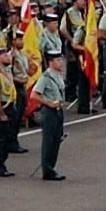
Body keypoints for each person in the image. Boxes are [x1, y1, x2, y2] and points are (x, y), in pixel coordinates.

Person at [32, 52, 68, 180]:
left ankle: (51, 168)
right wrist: (48, 103)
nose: (61, 62)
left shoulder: (58, 76)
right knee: (49, 141)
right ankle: (47, 170)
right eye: (58, 60)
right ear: (51, 62)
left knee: (57, 140)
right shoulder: (46, 77)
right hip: (49, 111)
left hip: (58, 110)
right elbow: (34, 95)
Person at [0, 46, 20, 176]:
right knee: (1, 139)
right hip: (2, 106)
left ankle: (3, 164)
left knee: (7, 137)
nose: (8, 57)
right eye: (5, 55)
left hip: (10, 105)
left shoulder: (6, 70)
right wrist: (1, 113)